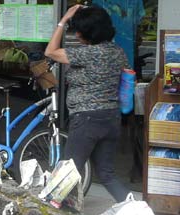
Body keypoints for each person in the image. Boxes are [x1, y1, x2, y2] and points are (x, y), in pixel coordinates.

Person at [45, 5, 130, 202]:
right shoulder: (118, 52)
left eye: (78, 31)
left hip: (87, 119)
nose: (77, 34)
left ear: (88, 33)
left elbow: (50, 51)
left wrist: (63, 20)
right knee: (107, 174)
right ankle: (137, 213)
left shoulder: (88, 54)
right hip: (111, 118)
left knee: (66, 174)